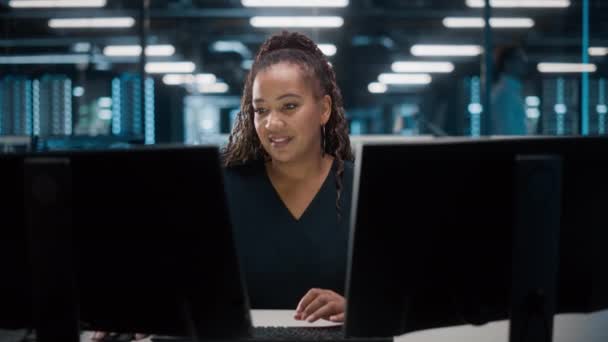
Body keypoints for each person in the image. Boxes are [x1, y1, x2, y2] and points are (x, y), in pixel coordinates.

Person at [222, 31, 354, 323]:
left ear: (324, 109)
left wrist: (359, 310)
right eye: (261, 110)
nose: (272, 123)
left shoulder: (363, 191)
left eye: (289, 106)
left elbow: (403, 296)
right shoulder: (225, 188)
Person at [490, 45, 529, 135]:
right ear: (507, 63)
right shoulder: (505, 94)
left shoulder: (509, 92)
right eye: (519, 59)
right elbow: (507, 132)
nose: (524, 62)